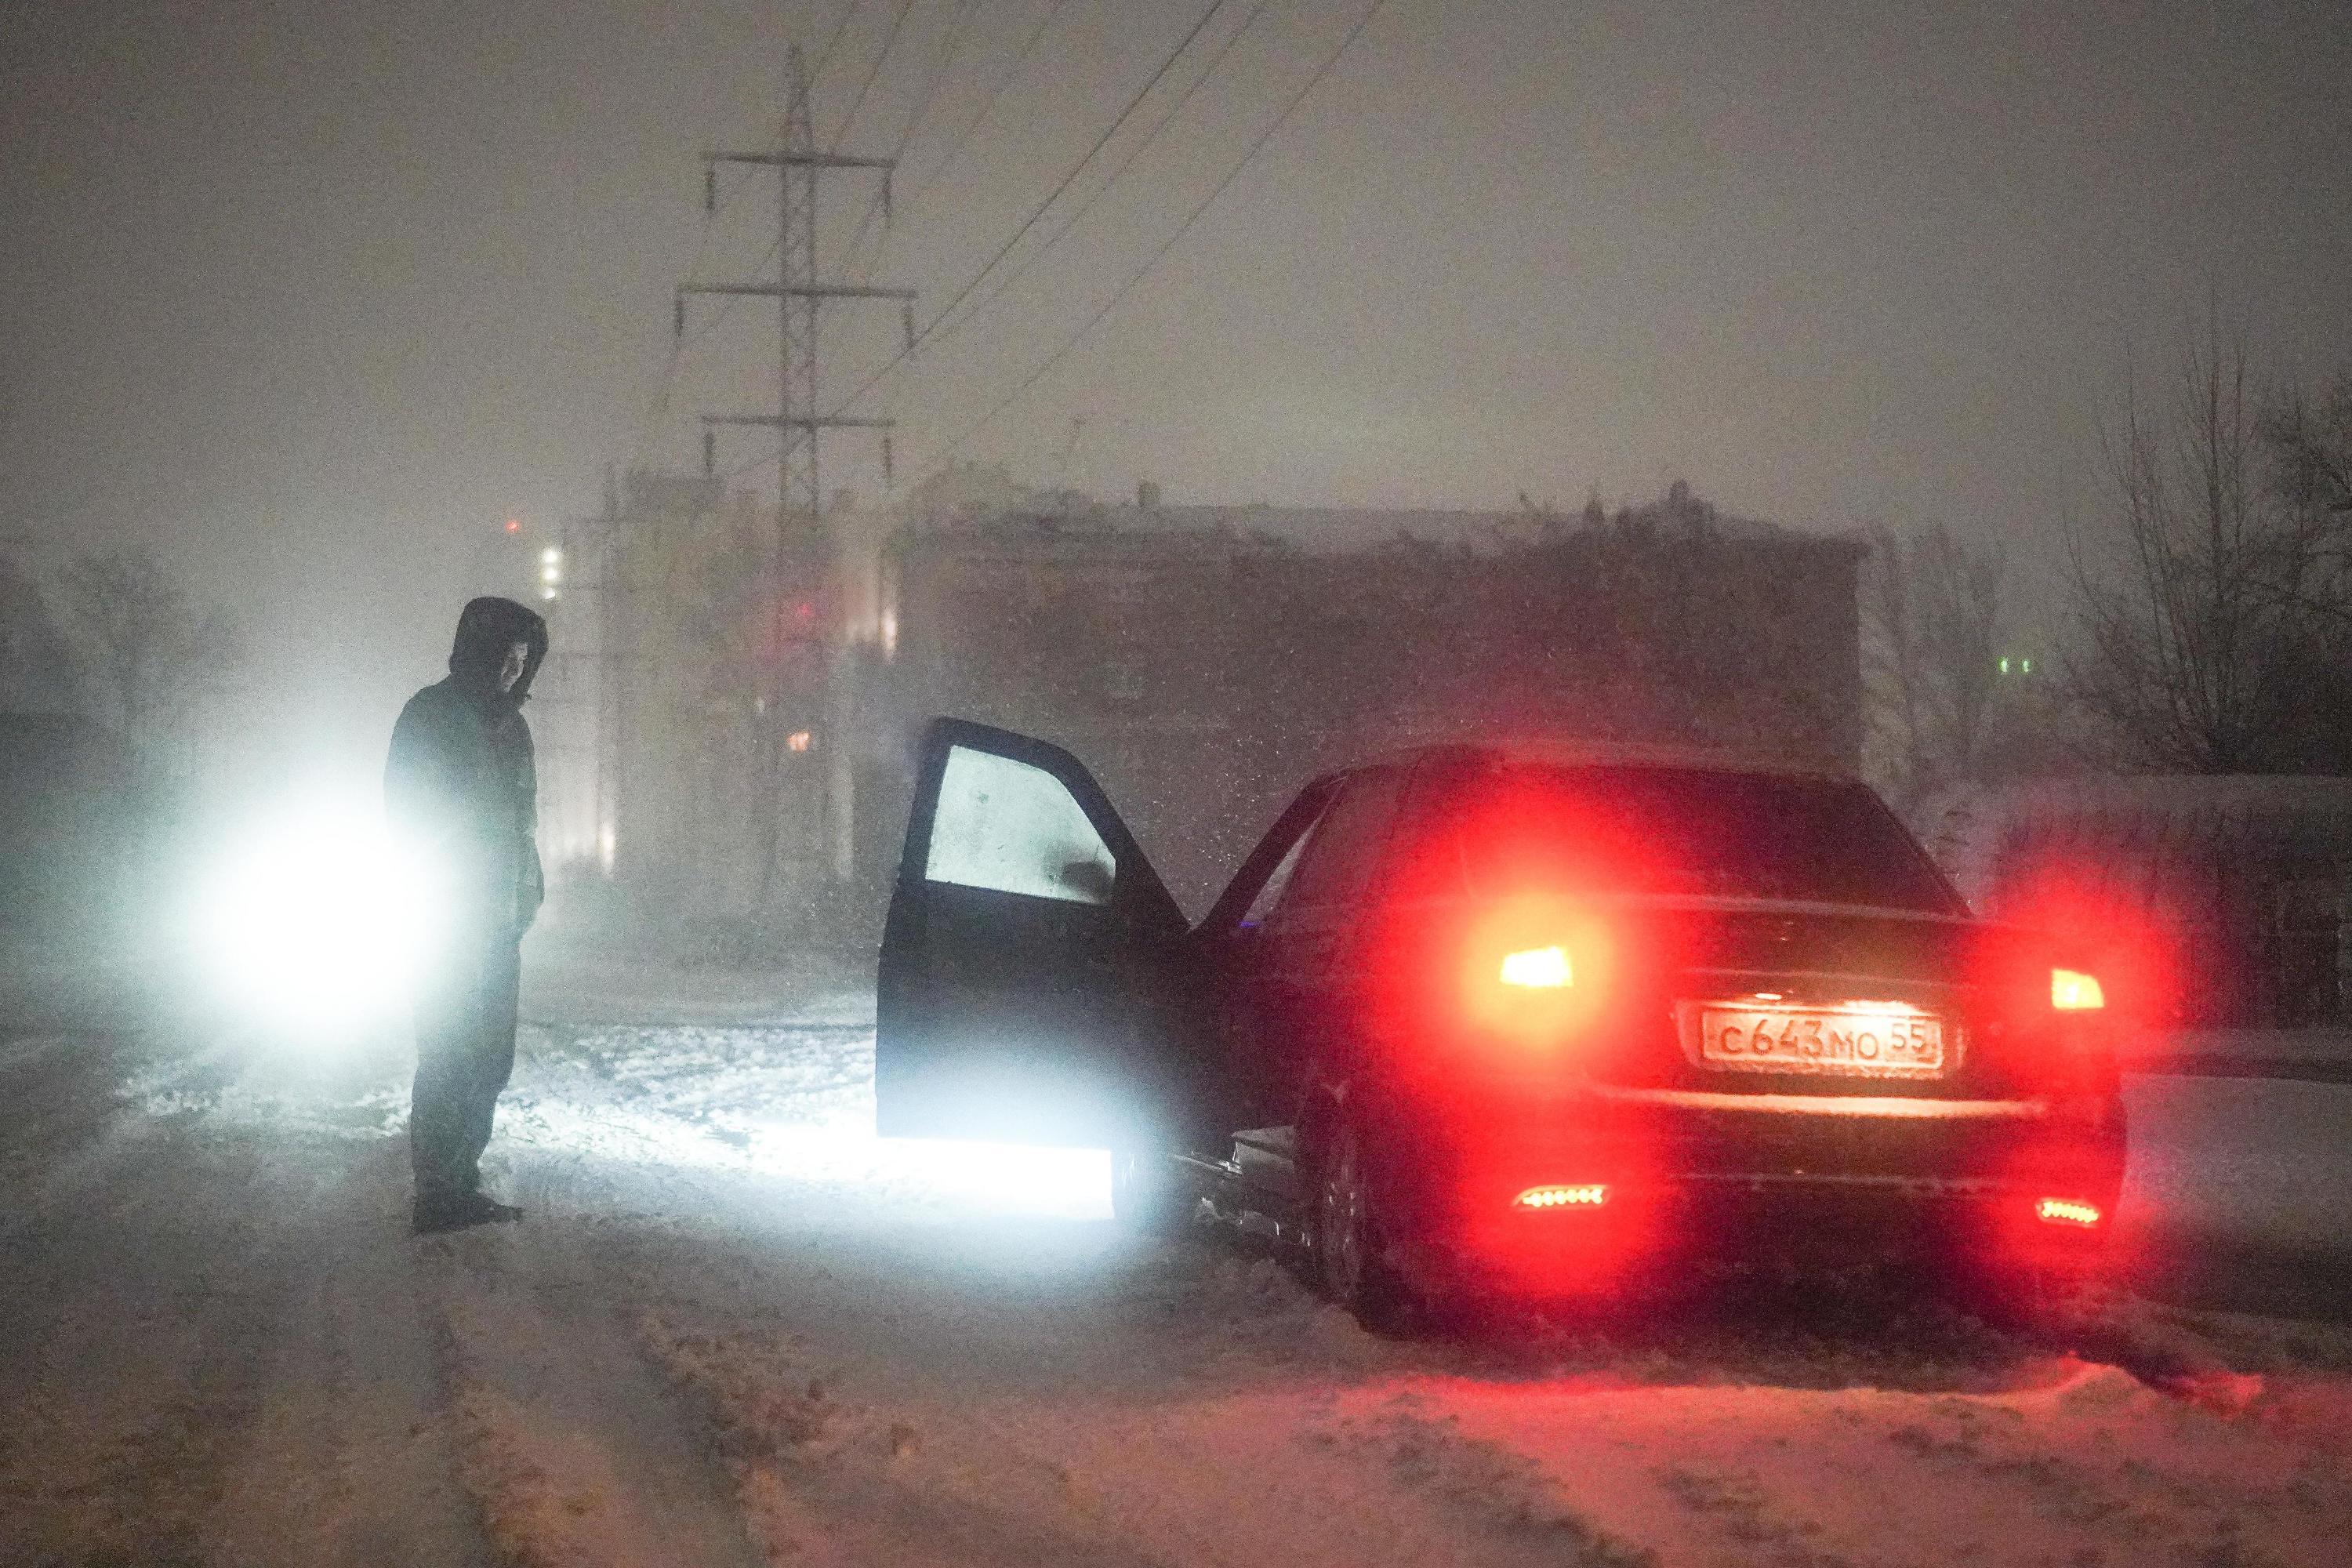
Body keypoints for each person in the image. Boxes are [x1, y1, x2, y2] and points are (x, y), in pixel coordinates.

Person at [387, 595, 548, 1235]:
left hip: (501, 921)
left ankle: (459, 1179)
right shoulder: (429, 717)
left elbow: (522, 824)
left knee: (488, 1057)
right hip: (449, 921)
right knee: (449, 1050)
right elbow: (408, 812)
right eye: (505, 654)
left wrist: (527, 895)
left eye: (522, 657)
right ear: (478, 652)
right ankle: (437, 1189)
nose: (513, 668)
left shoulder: (512, 726)